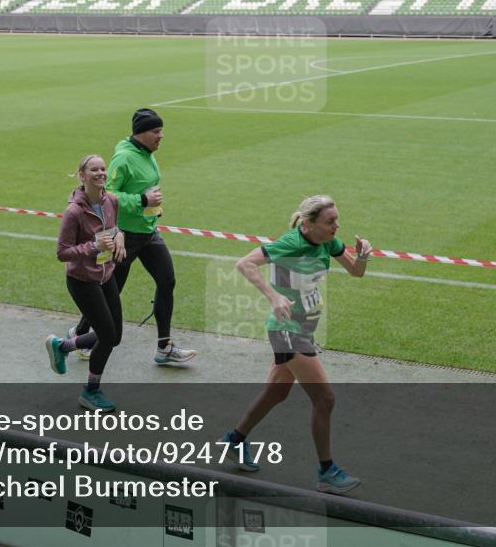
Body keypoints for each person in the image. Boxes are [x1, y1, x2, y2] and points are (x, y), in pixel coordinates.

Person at [221, 195, 372, 495]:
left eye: (337, 220)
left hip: (303, 329)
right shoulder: (291, 243)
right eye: (330, 221)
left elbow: (356, 271)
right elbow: (245, 263)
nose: (336, 226)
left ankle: (234, 441)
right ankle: (326, 472)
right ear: (309, 223)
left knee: (276, 392)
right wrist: (274, 297)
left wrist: (363, 256)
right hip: (288, 331)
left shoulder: (328, 242)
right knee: (325, 399)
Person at [71, 108, 196, 365]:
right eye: (156, 131)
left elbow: (144, 188)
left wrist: (153, 208)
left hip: (148, 233)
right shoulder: (124, 158)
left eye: (161, 131)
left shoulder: (147, 154)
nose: (161, 136)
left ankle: (164, 346)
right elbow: (107, 194)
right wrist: (142, 200)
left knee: (167, 281)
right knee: (111, 292)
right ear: (141, 133)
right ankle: (81, 334)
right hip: (123, 237)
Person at [46, 155, 126, 412]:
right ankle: (90, 391)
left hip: (106, 275)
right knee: (107, 336)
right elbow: (62, 252)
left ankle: (63, 346)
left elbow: (114, 228)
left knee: (115, 336)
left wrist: (120, 236)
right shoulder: (74, 212)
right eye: (94, 169)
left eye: (103, 168)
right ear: (82, 176)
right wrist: (93, 246)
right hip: (82, 280)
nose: (101, 173)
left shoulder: (111, 200)